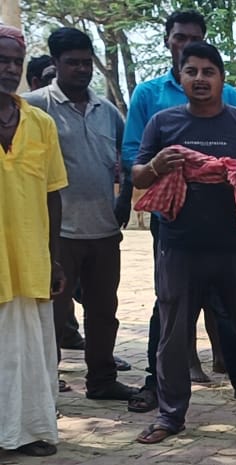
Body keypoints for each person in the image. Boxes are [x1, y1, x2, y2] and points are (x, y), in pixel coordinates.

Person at [131, 42, 236, 444]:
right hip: (179, 245)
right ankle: (170, 416)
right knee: (173, 333)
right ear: (180, 78)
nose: (200, 79)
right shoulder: (163, 123)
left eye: (209, 72)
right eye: (192, 72)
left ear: (222, 79)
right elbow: (137, 176)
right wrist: (154, 167)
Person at [122, 9, 236, 413]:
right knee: (171, 302)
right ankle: (156, 386)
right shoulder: (149, 96)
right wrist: (165, 166)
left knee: (229, 302)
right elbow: (131, 157)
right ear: (167, 41)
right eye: (179, 38)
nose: (185, 45)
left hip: (227, 222)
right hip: (173, 221)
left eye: (193, 37)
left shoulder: (228, 95)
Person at [23, 27, 134, 402]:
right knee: (52, 316)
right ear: (55, 64)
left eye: (87, 63)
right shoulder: (35, 107)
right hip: (57, 233)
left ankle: (101, 381)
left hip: (104, 230)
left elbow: (128, 158)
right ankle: (45, 387)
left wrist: (125, 199)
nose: (82, 70)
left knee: (104, 312)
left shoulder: (108, 110)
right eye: (73, 64)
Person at [0, 24, 68, 457]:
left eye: (15, 62)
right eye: (1, 61)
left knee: (26, 349)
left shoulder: (40, 123)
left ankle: (30, 430)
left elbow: (52, 193)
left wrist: (54, 257)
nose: (9, 69)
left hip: (28, 257)